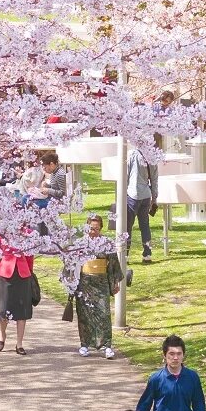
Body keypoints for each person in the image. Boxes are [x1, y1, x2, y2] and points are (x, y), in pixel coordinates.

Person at [66, 212, 126, 357]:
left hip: (101, 281)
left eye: (96, 228)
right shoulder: (80, 243)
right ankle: (85, 344)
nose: (93, 231)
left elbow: (113, 265)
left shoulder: (106, 243)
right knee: (84, 313)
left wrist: (115, 283)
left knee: (104, 312)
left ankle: (107, 345)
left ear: (101, 228)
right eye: (91, 228)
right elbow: (71, 263)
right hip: (84, 282)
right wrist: (70, 282)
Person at [0, 225, 41, 354]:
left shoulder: (28, 234)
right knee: (4, 309)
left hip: (23, 275)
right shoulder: (1, 232)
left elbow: (30, 256)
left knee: (22, 309)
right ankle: (2, 336)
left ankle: (19, 344)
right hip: (5, 274)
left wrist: (30, 273)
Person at [124, 135, 159, 263]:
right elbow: (154, 179)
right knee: (144, 225)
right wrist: (154, 198)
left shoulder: (133, 154)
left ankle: (125, 254)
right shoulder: (153, 157)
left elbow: (126, 175)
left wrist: (123, 193)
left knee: (128, 226)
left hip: (133, 194)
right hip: (146, 195)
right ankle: (147, 253)